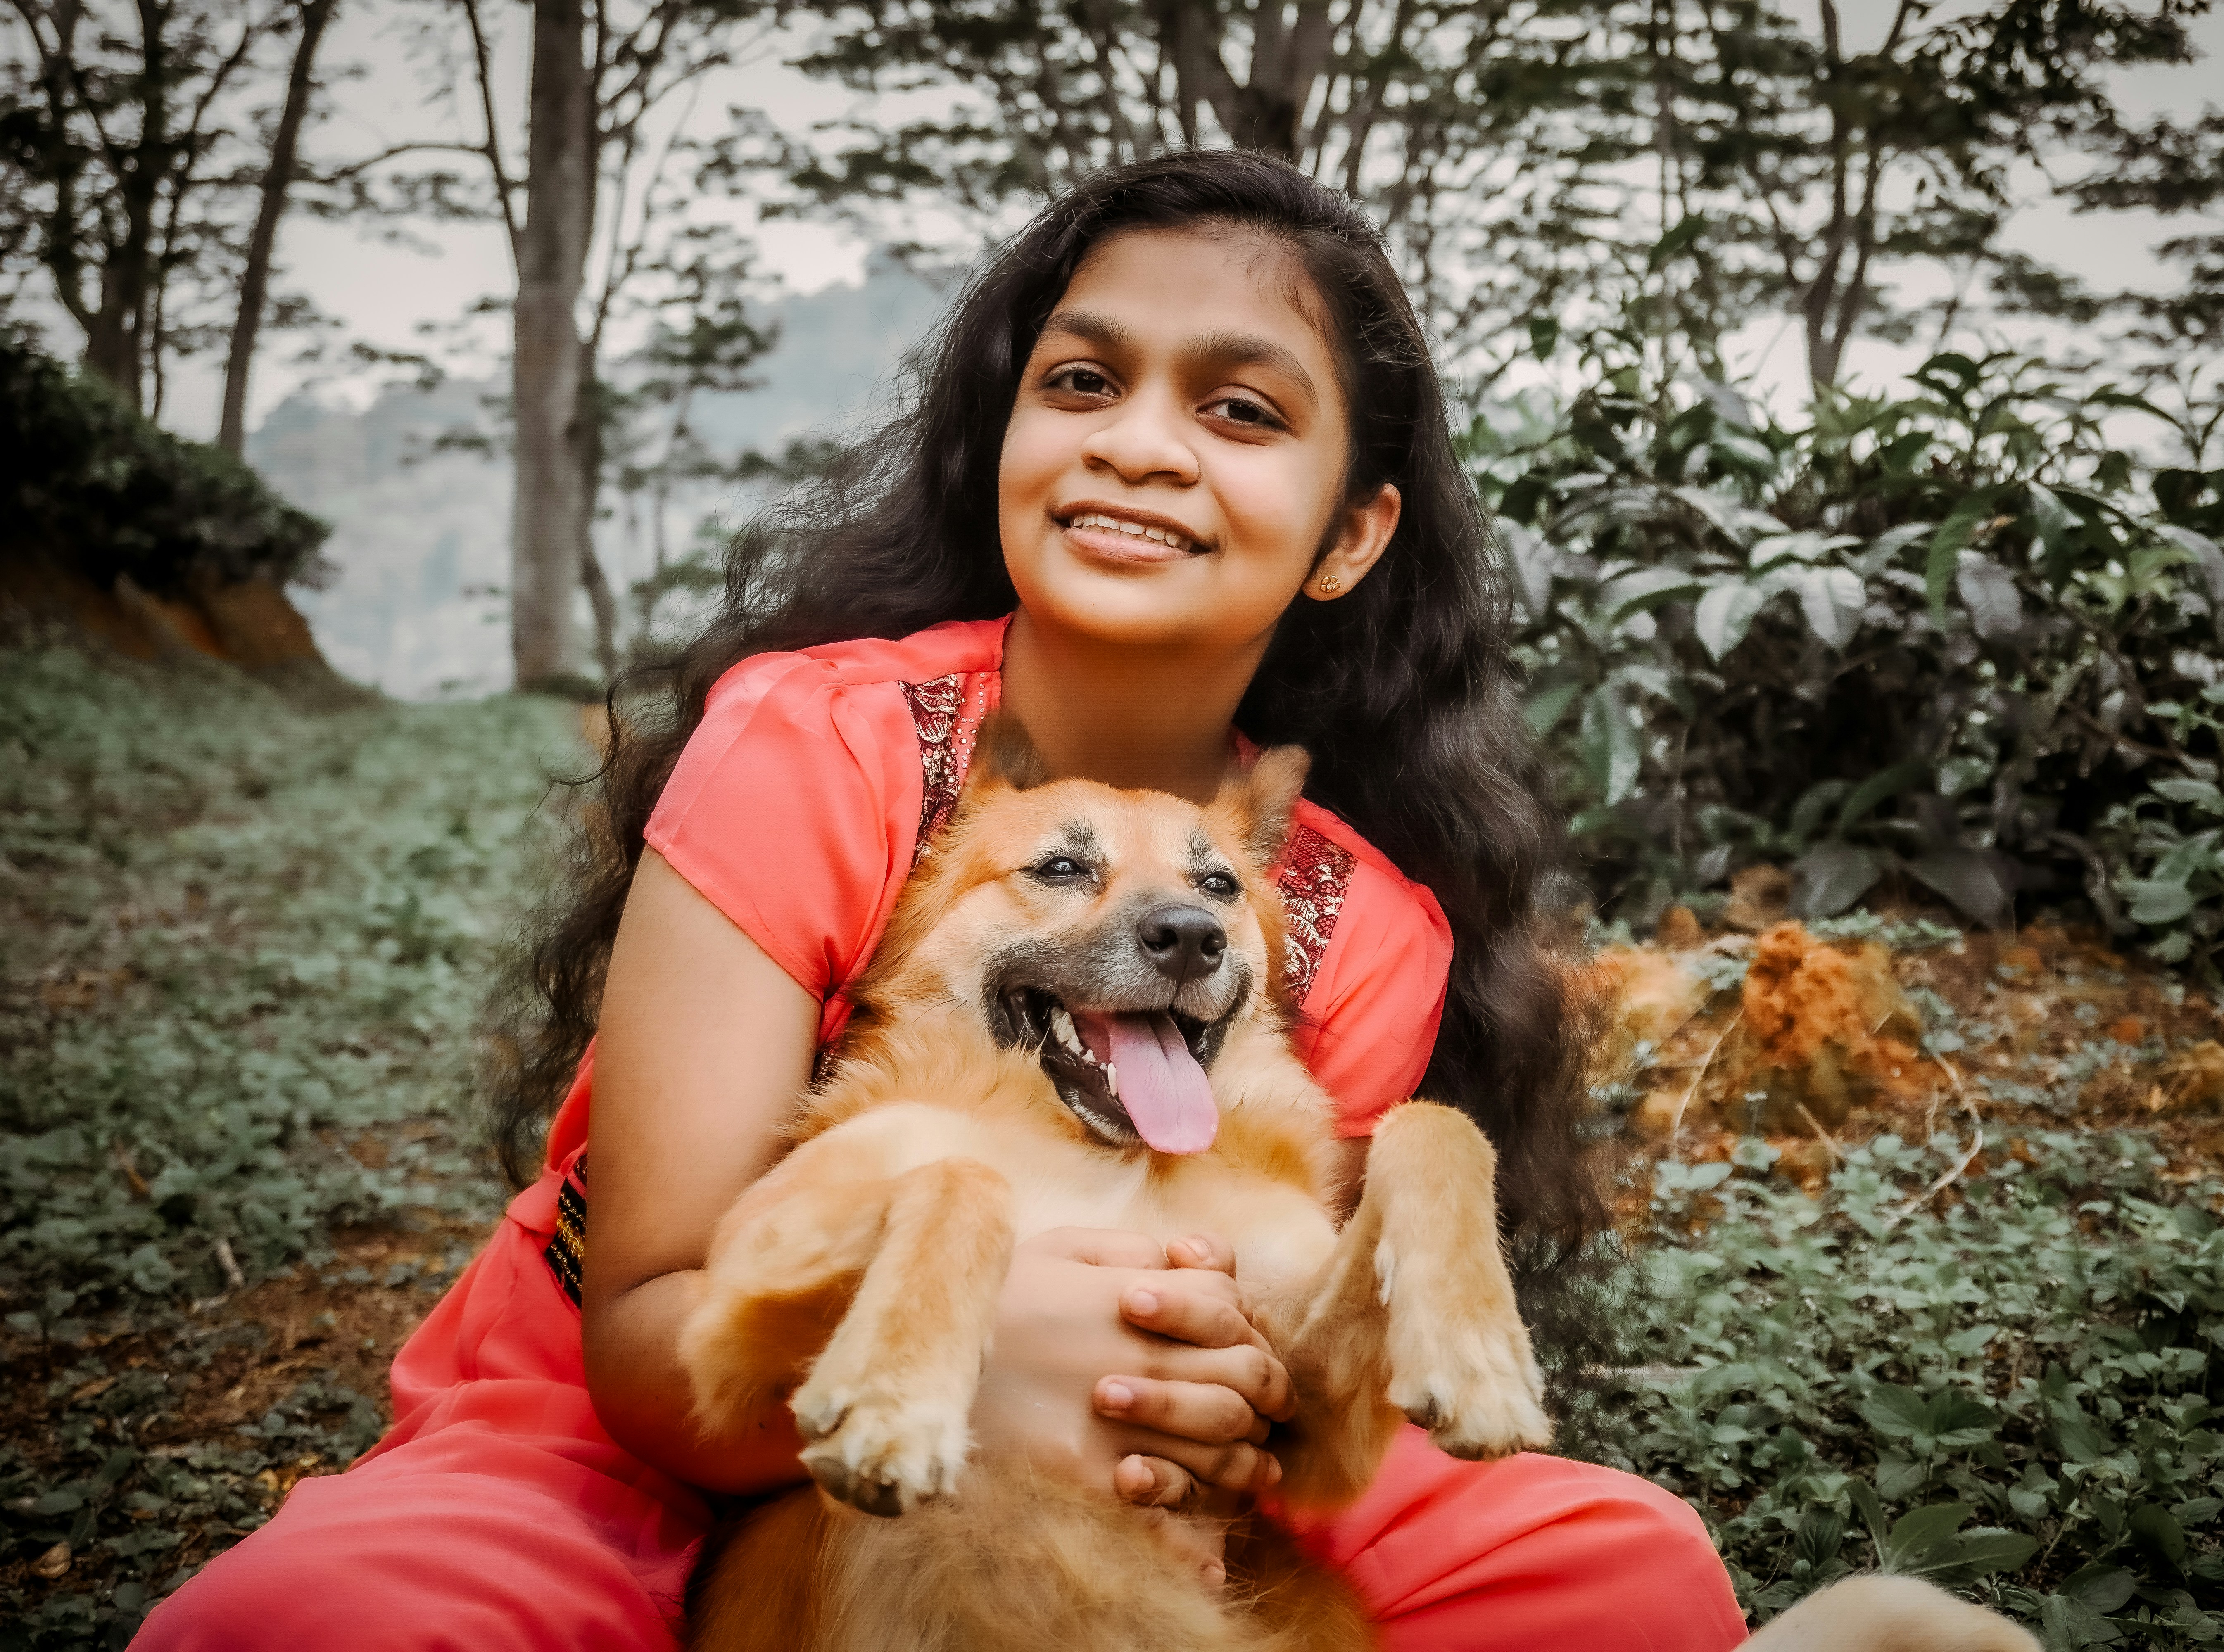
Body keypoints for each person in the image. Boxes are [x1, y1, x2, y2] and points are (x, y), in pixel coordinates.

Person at [134, 152, 1747, 1652]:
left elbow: (1280, 1383)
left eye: (1243, 410)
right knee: (315, 1617)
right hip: (655, 1442)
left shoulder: (1354, 921)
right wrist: (973, 1347)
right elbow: (647, 1339)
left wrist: (1233, 1409)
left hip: (1104, 1500)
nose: (1139, 440)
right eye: (1084, 381)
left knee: (1625, 1573)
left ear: (1351, 531)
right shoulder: (813, 741)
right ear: (1009, 444)